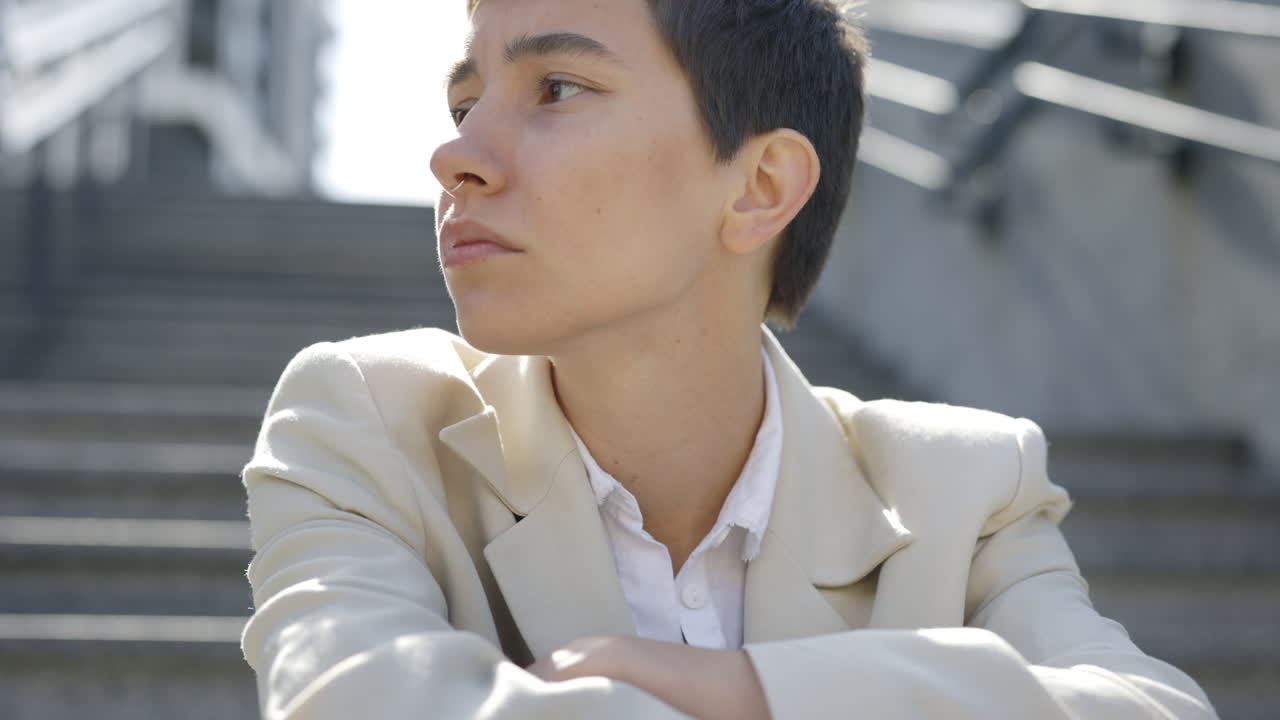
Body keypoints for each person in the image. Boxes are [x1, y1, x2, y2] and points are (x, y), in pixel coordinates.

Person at [240, 0, 1217, 718]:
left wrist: (747, 692)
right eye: (465, 102)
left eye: (557, 88)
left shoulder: (961, 490)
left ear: (757, 186)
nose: (456, 156)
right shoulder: (364, 424)